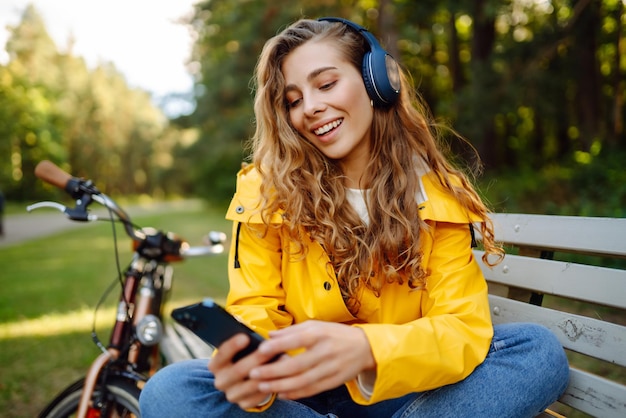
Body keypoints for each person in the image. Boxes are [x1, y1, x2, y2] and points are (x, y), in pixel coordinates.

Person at [140, 17, 569, 417]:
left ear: (376, 82)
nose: (309, 107)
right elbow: (255, 309)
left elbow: (462, 328)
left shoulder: (438, 197)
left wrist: (368, 349)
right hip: (300, 393)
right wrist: (251, 373)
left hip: (404, 391)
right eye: (293, 100)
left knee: (537, 351)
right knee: (172, 389)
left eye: (326, 84)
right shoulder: (265, 191)